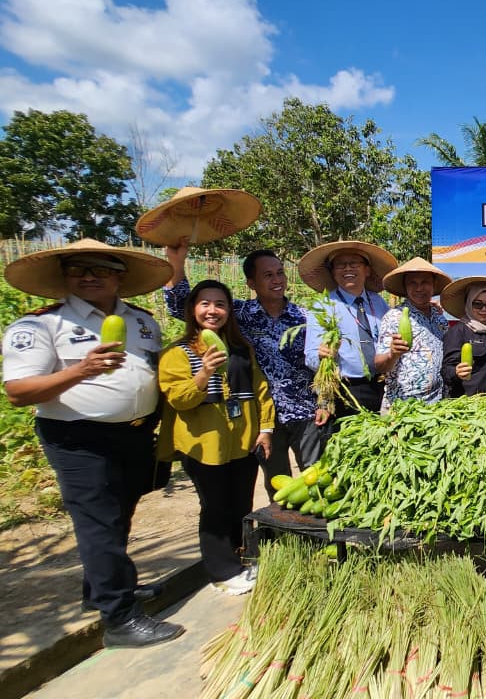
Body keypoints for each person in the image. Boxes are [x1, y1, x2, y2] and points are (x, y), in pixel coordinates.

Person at [2, 239, 183, 648]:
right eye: (78, 270)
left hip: (134, 433)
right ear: (64, 277)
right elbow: (19, 391)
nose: (88, 276)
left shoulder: (141, 322)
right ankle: (119, 620)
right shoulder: (42, 325)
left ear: (119, 276)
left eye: (99, 269)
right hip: (78, 438)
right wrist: (82, 369)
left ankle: (100, 591)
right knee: (98, 524)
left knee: (118, 516)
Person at [163, 238, 322, 485]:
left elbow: (320, 364)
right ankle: (281, 525)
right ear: (251, 283)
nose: (277, 280)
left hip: (306, 413)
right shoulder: (239, 314)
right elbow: (180, 306)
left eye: (280, 273)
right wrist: (177, 262)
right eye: (268, 275)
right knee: (279, 487)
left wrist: (324, 401)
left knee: (318, 481)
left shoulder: (305, 316)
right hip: (263, 419)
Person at [157, 280, 274, 596]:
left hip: (243, 442)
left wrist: (265, 429)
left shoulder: (239, 348)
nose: (213, 310)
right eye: (205, 304)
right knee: (215, 507)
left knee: (241, 502)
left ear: (229, 311)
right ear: (192, 310)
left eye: (220, 304)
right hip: (204, 445)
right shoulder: (177, 353)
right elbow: (179, 398)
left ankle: (242, 559)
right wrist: (204, 372)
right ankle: (221, 571)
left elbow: (260, 390)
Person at [299, 241, 398, 420]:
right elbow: (310, 356)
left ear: (367, 270)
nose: (347, 269)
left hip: (382, 386)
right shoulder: (323, 305)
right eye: (340, 265)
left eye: (354, 264)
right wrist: (321, 355)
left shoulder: (378, 302)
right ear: (332, 272)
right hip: (345, 391)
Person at [373, 257, 452, 410]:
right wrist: (392, 354)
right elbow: (379, 365)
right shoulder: (394, 317)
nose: (419, 288)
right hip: (402, 406)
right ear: (405, 287)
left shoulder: (439, 317)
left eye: (425, 282)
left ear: (434, 285)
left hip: (437, 403)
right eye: (412, 283)